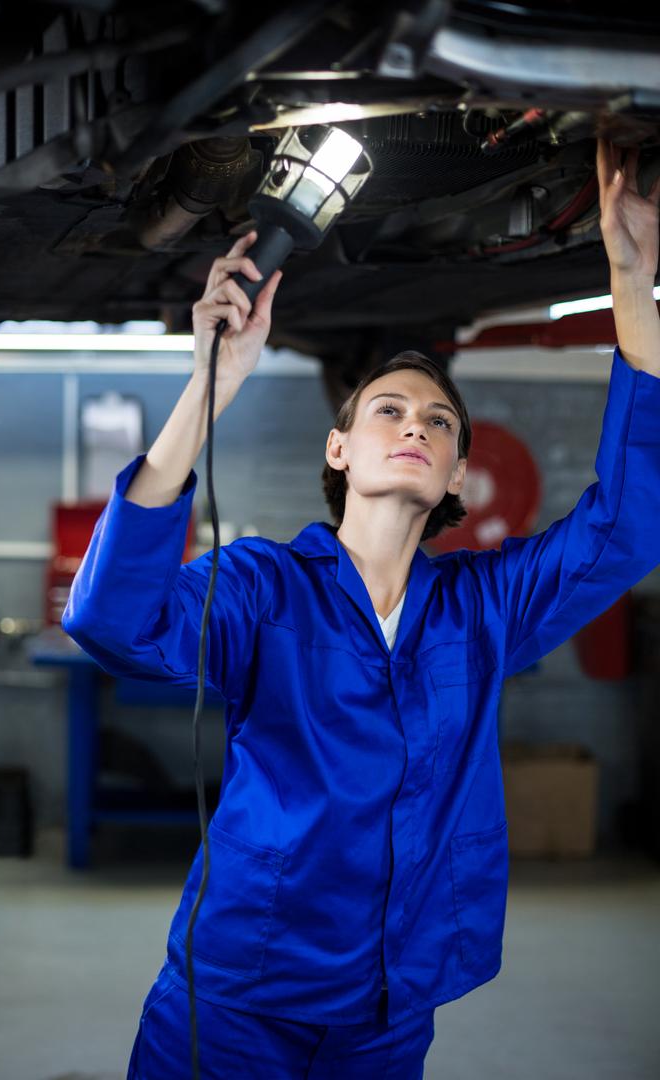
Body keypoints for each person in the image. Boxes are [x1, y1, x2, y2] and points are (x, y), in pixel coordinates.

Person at [61, 137, 660, 1079]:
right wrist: (208, 388)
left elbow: (628, 525)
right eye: (388, 409)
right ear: (339, 451)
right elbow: (110, 622)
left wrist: (629, 277)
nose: (416, 423)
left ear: (461, 470)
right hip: (236, 1001)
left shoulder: (484, 609)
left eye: (439, 420)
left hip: (388, 1009)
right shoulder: (263, 588)